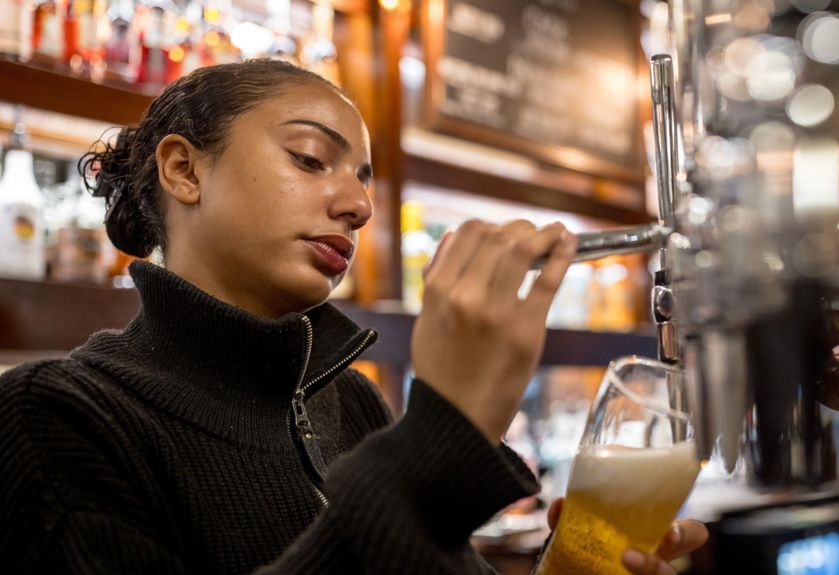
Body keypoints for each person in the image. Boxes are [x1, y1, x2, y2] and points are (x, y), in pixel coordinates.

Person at [0, 60, 707, 574]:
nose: (359, 206)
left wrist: (572, 571)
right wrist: (440, 431)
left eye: (364, 179)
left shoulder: (350, 402)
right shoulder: (54, 416)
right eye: (311, 160)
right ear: (184, 170)